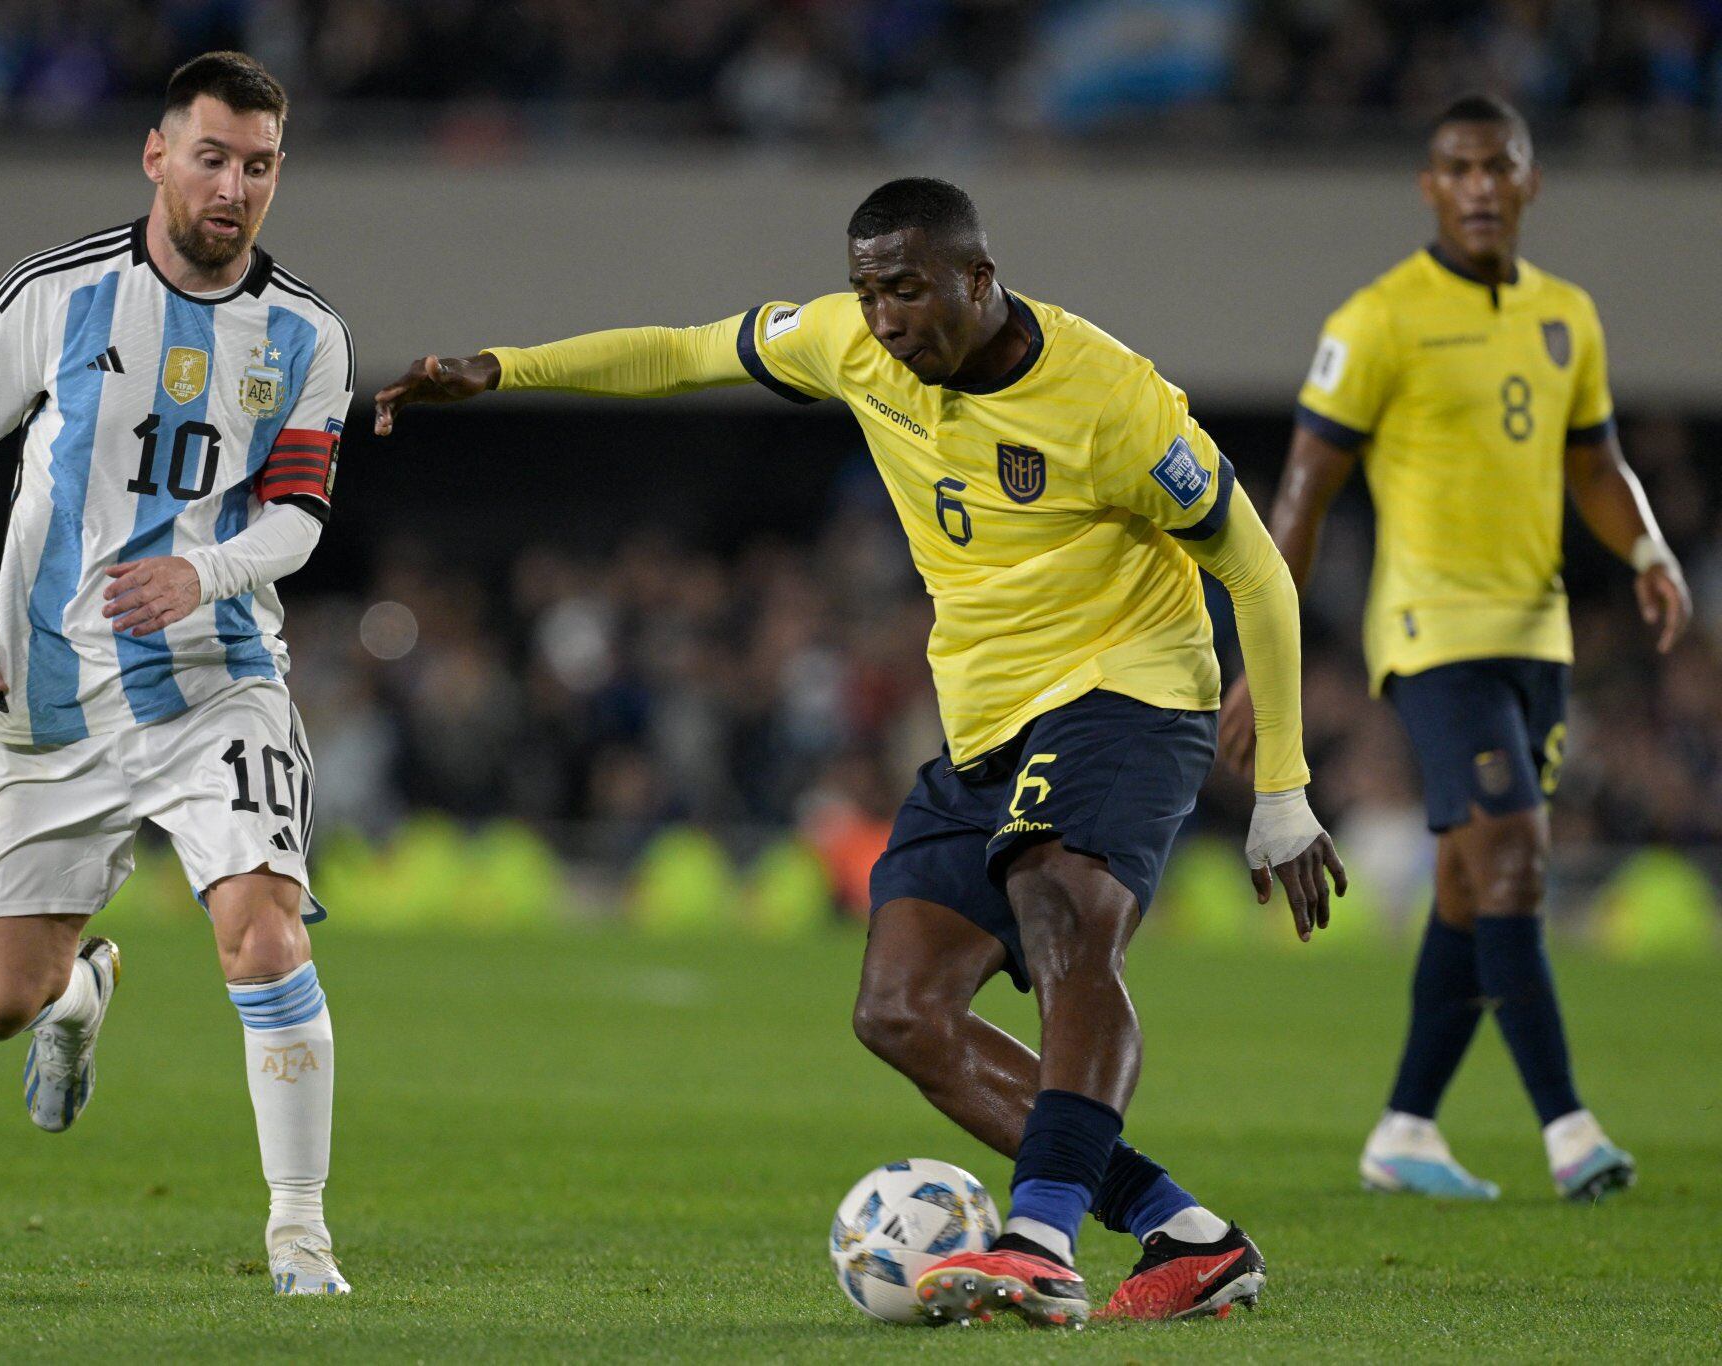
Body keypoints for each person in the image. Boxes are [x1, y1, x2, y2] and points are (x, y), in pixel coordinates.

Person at [373, 177, 1345, 1325]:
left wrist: (1280, 785)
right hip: (986, 719)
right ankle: (1182, 1232)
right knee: (900, 1009)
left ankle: (1035, 1236)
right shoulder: (853, 346)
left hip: (1125, 689)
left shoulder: (1110, 400)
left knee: (1062, 910)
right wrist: (504, 368)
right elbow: (686, 353)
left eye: (909, 290)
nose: (884, 317)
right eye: (868, 291)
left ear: (978, 281)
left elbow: (1257, 570)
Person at [0, 51, 355, 1293]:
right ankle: (76, 996)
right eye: (211, 156)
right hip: (51, 690)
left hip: (217, 676)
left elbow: (299, 519)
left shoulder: (305, 333)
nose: (233, 187)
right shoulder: (55, 295)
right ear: (157, 155)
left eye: (258, 166)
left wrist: (205, 574)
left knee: (262, 936)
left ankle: (298, 1231)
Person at [1222, 95, 1690, 1203]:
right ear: (1428, 188)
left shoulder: (1565, 316)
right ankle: (1569, 1130)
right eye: (1456, 168)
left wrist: (1650, 549)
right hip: (1430, 635)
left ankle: (1403, 1129)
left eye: (1497, 167)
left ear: (1528, 183)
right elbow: (1301, 493)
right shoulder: (1376, 320)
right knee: (1517, 857)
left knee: (1471, 888)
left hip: (1538, 635)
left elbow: (1593, 464)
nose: (1478, 185)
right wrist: (1263, 642)